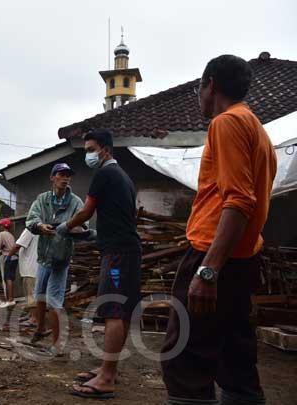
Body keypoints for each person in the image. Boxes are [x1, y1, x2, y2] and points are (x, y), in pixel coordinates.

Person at [160, 55, 276, 405]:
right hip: (242, 258)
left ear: (210, 84)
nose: (199, 95)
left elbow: (239, 201)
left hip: (213, 255)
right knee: (235, 360)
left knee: (185, 359)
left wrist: (208, 271)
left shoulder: (226, 123)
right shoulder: (257, 129)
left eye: (199, 88)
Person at [62, 129, 141, 399]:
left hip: (118, 253)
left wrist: (65, 227)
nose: (88, 155)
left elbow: (86, 211)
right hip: (126, 249)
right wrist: (98, 235)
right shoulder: (124, 177)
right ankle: (109, 369)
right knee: (121, 311)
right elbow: (123, 217)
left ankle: (106, 378)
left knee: (113, 310)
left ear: (105, 149)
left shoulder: (105, 174)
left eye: (90, 149)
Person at [26, 162, 86, 355]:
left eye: (68, 175)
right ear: (52, 177)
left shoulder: (75, 202)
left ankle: (57, 345)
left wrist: (68, 229)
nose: (65, 178)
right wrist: (40, 226)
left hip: (61, 257)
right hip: (44, 256)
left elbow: (83, 225)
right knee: (39, 296)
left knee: (54, 301)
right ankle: (40, 329)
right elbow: (31, 219)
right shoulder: (42, 199)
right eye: (61, 174)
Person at [8, 228, 39, 326]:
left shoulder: (30, 230)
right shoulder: (39, 230)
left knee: (31, 295)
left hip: (30, 269)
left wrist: (8, 256)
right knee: (30, 294)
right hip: (32, 268)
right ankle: (30, 315)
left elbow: (17, 245)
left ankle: (33, 319)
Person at [0, 218, 18, 308]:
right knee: (11, 278)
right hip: (14, 258)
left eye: (0, 225)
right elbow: (5, 247)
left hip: (9, 258)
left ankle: (10, 300)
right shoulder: (10, 235)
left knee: (8, 278)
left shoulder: (1, 234)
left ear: (3, 226)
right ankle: (11, 299)